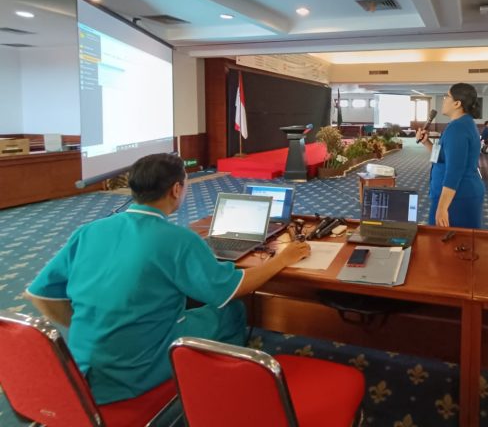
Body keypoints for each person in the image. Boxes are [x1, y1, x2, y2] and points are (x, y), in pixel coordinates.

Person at [25, 153, 310, 405]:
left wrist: (87, 326)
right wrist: (282, 259)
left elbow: (39, 294)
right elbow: (232, 288)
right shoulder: (178, 240)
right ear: (176, 189)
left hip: (84, 366)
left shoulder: (88, 231)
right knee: (232, 310)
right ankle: (224, 386)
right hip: (137, 370)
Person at [416, 83, 485, 228]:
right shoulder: (460, 124)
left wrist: (442, 208)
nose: (443, 100)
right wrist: (426, 142)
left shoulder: (458, 128)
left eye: (447, 96)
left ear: (457, 103)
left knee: (448, 240)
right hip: (457, 195)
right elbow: (443, 156)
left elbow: (454, 170)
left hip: (457, 197)